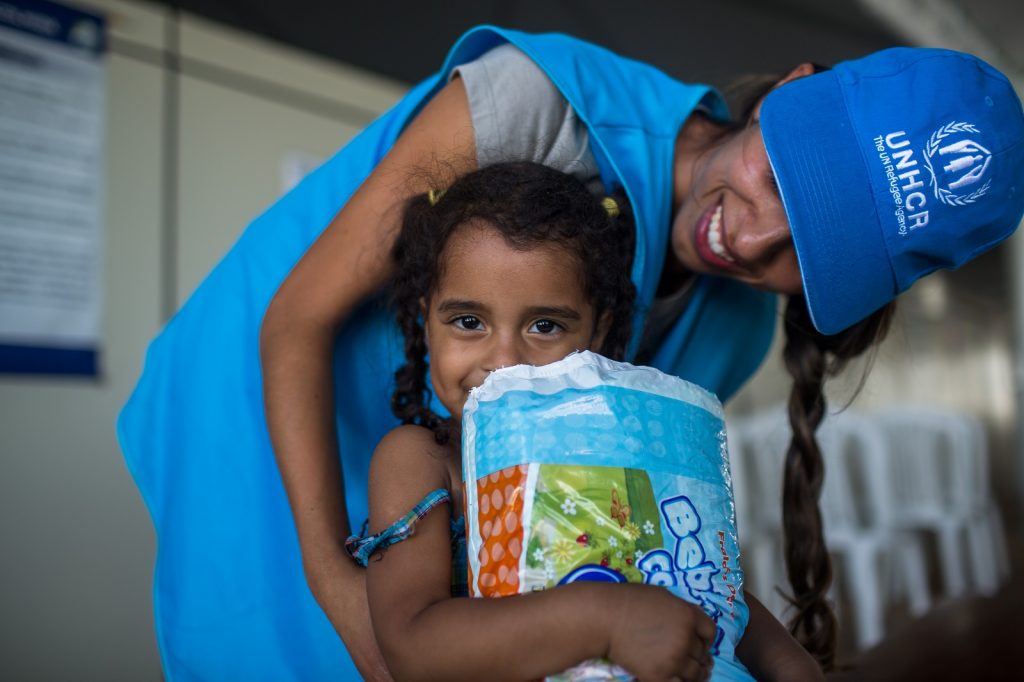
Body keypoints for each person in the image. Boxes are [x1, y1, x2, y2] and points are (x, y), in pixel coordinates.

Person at [117, 25, 1024, 681]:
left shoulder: (737, 323)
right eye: (781, 179)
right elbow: (297, 322)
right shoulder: (538, 108)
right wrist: (342, 590)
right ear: (787, 92)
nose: (751, 241)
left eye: (809, 252)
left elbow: (625, 513)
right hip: (274, 410)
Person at [351, 159, 821, 682]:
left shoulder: (622, 450)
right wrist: (604, 619)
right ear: (427, 320)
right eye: (468, 321)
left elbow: (707, 587)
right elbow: (413, 648)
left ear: (599, 332)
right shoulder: (420, 460)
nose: (505, 359)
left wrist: (787, 665)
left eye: (545, 325)